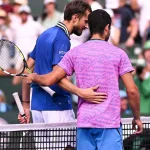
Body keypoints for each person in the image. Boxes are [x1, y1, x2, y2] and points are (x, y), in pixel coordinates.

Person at [26, 9, 143, 149]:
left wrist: (33, 76)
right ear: (107, 28)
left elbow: (50, 79)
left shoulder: (75, 52)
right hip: (109, 125)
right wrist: (136, 118)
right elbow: (132, 90)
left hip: (84, 124)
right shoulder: (119, 54)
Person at [19, 0, 107, 124]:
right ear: (75, 17)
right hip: (57, 108)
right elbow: (57, 77)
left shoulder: (45, 34)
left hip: (37, 108)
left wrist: (26, 106)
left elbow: (26, 71)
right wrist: (81, 93)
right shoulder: (62, 39)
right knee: (66, 144)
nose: (87, 26)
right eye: (85, 21)